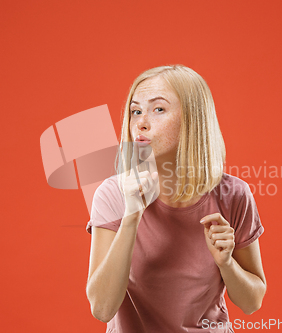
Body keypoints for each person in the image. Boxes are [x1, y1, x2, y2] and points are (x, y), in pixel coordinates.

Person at [85, 64, 266, 332]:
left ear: (194, 119)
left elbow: (251, 302)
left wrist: (227, 263)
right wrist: (132, 215)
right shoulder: (113, 195)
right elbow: (102, 309)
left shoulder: (233, 195)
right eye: (136, 111)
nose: (141, 122)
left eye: (158, 109)